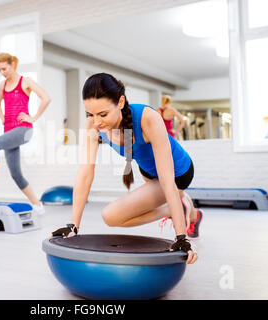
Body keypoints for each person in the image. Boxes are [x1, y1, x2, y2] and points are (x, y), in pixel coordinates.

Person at [51, 73, 202, 264]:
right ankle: (187, 210)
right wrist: (73, 226)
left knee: (111, 214)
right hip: (148, 172)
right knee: (115, 217)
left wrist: (181, 238)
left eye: (103, 114)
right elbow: (85, 173)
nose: (96, 121)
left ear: (120, 102)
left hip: (179, 173)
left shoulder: (148, 118)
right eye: (90, 114)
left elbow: (166, 179)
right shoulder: (94, 125)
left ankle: (178, 209)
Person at [0, 53, 51, 215]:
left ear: (13, 64)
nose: (2, 72)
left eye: (4, 68)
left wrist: (33, 118)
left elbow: (46, 98)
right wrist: (2, 118)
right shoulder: (2, 85)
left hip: (24, 130)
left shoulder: (25, 81)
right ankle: (37, 205)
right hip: (9, 131)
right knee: (16, 174)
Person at [158, 95, 204, 238]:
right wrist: (176, 131)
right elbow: (183, 121)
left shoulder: (158, 111)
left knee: (178, 188)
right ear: (169, 101)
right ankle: (194, 216)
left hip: (164, 142)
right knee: (177, 189)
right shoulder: (170, 111)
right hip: (167, 140)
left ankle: (193, 216)